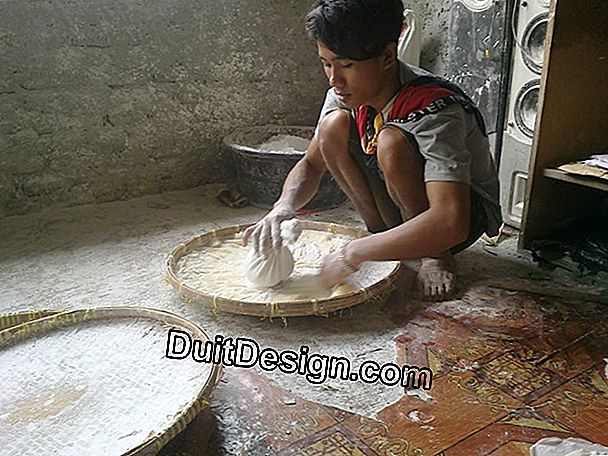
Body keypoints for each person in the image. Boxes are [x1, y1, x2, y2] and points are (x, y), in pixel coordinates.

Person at [243, 0, 501, 301]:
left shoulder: (435, 108)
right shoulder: (343, 93)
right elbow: (311, 165)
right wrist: (283, 206)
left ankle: (435, 255)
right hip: (405, 202)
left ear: (388, 56)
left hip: (462, 215)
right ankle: (381, 235)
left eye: (347, 65)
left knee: (391, 142)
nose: (334, 79)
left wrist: (351, 254)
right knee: (331, 127)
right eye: (327, 63)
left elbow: (451, 220)